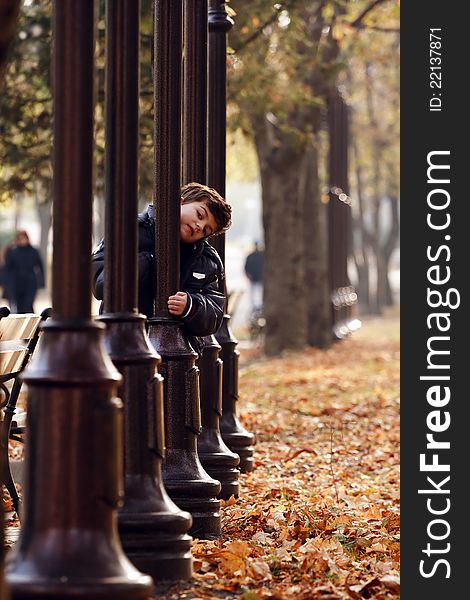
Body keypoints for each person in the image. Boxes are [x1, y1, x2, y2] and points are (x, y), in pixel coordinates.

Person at [92, 182, 232, 354]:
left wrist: (192, 305)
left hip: (176, 352)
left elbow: (214, 314)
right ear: (180, 201)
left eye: (205, 230)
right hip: (123, 342)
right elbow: (100, 284)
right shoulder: (129, 230)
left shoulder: (206, 261)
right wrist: (149, 260)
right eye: (199, 215)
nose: (198, 227)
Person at [3, 230, 45, 313]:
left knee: (28, 305)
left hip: (30, 282)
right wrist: (6, 283)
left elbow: (40, 266)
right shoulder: (13, 252)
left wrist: (41, 282)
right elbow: (7, 268)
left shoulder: (33, 251)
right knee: (19, 307)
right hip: (17, 283)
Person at [244, 241, 264, 313]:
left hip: (259, 277)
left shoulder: (260, 255)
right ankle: (255, 307)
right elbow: (246, 267)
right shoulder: (252, 256)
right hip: (255, 278)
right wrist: (248, 275)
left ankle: (258, 307)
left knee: (258, 293)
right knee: (254, 294)